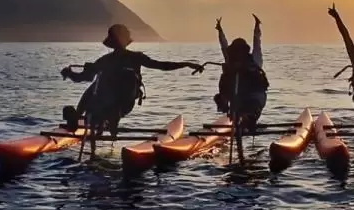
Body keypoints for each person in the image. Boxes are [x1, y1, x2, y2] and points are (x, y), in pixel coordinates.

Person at [60, 23, 204, 152]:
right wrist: (70, 73)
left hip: (123, 103)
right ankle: (82, 119)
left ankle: (95, 120)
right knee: (95, 85)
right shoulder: (106, 61)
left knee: (113, 80)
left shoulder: (132, 58)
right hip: (104, 103)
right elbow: (85, 77)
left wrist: (186, 63)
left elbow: (162, 66)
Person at [214, 14, 269, 134]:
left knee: (252, 108)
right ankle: (232, 114)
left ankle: (248, 119)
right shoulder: (230, 60)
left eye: (240, 51)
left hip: (255, 97)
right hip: (236, 97)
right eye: (235, 51)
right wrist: (220, 31)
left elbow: (257, 43)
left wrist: (257, 26)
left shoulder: (254, 60)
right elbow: (223, 46)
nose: (238, 54)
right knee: (222, 93)